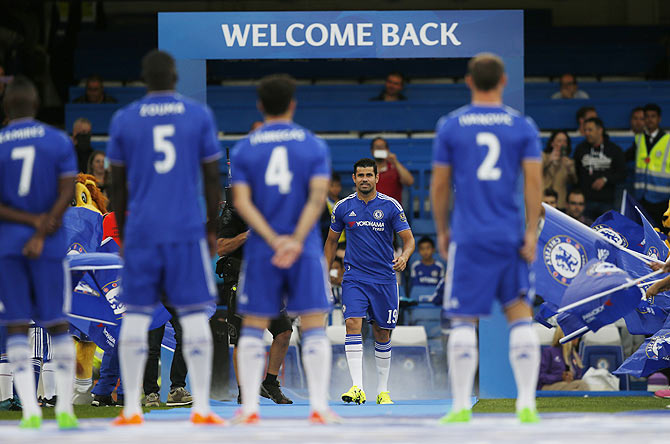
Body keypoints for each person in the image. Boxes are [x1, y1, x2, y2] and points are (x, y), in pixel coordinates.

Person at [107, 50, 223, 426]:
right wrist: (210, 230)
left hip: (142, 231)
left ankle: (131, 410)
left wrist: (126, 236)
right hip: (185, 229)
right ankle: (202, 408)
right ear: (175, 77)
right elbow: (211, 179)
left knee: (137, 319)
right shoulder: (197, 115)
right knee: (193, 318)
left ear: (144, 79)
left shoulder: (124, 119)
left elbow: (116, 187)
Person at [431, 53, 543, 424]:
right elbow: (533, 182)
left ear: (468, 81)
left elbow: (440, 184)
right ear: (503, 81)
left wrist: (443, 230)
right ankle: (526, 403)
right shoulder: (521, 125)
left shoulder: (451, 125)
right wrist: (531, 231)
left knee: (463, 319)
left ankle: (462, 406)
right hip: (509, 233)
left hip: (469, 234)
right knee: (519, 314)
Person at [231, 73, 336, 424]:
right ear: (293, 104)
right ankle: (320, 408)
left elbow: (242, 202)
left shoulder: (246, 147)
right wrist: (294, 239)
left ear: (260, 105)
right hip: (303, 248)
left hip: (263, 248)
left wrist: (273, 239)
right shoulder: (313, 144)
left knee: (252, 327)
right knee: (314, 324)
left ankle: (248, 411)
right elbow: (318, 198)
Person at [0, 76, 78, 429]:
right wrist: (44, 224)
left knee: (16, 325)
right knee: (58, 322)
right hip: (50, 242)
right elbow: (69, 188)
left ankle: (30, 411)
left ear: (5, 107)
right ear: (35, 105)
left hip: (9, 244)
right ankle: (65, 410)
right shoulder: (58, 140)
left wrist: (28, 222)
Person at [324, 158, 416, 406]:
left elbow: (408, 240)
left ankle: (383, 391)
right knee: (353, 323)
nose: (364, 179)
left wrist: (404, 257)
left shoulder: (391, 207)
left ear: (376, 178)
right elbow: (332, 242)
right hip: (354, 277)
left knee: (382, 333)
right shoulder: (343, 207)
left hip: (384, 279)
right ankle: (357, 387)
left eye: (369, 175)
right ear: (354, 178)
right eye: (360, 175)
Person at [216, 186, 294, 405]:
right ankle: (245, 391)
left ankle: (269, 382)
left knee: (284, 332)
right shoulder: (232, 211)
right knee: (243, 338)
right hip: (240, 278)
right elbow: (221, 248)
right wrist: (249, 235)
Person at [573, 117, 626, 220]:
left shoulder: (614, 150)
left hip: (607, 202)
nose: (587, 133)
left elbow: (622, 173)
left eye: (590, 130)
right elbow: (576, 173)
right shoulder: (580, 149)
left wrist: (605, 179)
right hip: (585, 202)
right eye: (585, 130)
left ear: (600, 130)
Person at [633, 103, 669, 227]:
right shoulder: (639, 139)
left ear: (659, 119)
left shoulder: (668, 140)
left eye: (653, 116)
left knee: (661, 233)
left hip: (662, 198)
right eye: (646, 116)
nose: (649, 120)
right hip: (642, 197)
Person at [371, 137, 414, 205]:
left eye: (382, 147)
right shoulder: (367, 170)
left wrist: (395, 162)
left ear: (387, 150)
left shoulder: (395, 168)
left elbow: (410, 182)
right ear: (372, 151)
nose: (379, 149)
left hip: (393, 213)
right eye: (377, 147)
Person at [542, 130, 576, 210]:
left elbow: (574, 182)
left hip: (560, 203)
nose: (562, 144)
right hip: (543, 201)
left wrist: (570, 169)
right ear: (552, 143)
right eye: (559, 141)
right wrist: (549, 160)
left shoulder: (569, 161)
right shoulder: (543, 157)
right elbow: (533, 173)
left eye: (565, 141)